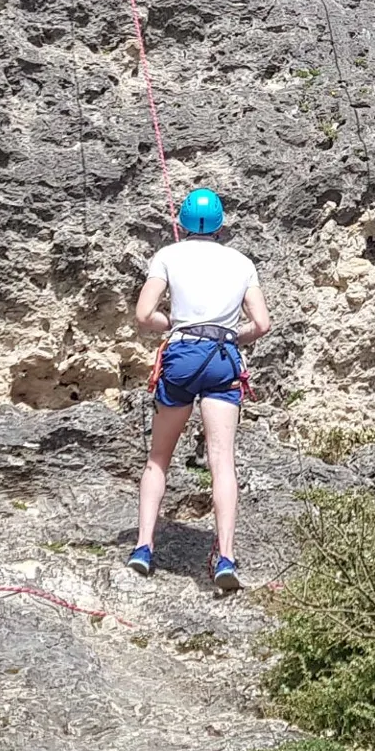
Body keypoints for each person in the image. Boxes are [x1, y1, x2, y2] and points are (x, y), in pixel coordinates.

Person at [128, 187, 271, 590]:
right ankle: (225, 557)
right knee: (222, 462)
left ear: (182, 222)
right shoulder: (242, 263)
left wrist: (173, 325)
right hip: (223, 357)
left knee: (158, 459)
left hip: (181, 356)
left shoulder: (168, 256)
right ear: (221, 223)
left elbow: (143, 314)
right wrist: (231, 337)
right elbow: (262, 324)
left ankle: (143, 548)